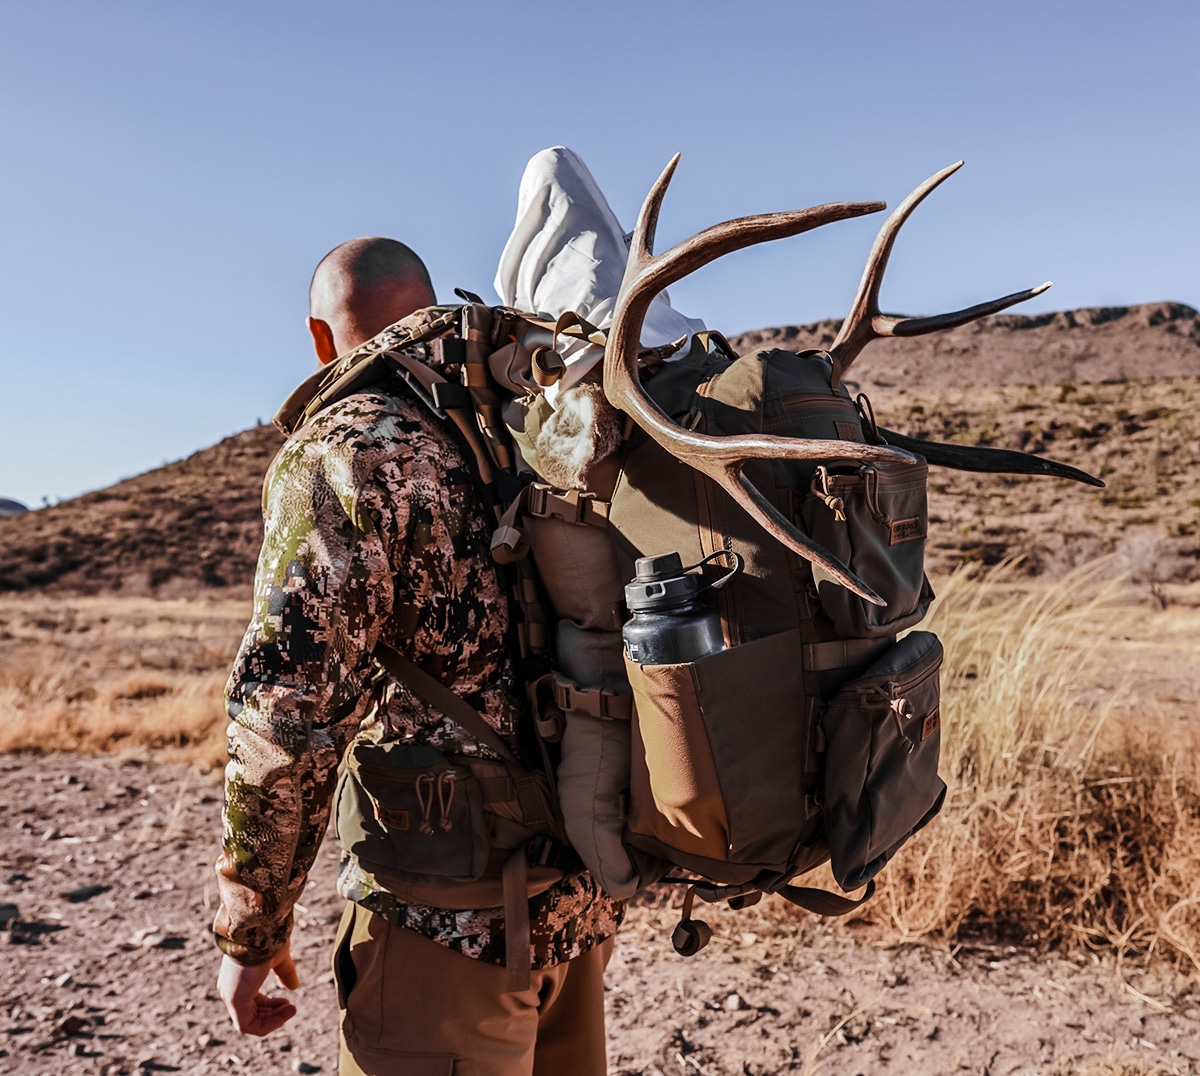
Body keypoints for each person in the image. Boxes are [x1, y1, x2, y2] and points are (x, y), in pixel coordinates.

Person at [212, 235, 621, 1075]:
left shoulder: (351, 446)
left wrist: (252, 931)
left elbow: (286, 710)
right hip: (580, 905)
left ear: (323, 340)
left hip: (444, 925)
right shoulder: (536, 420)